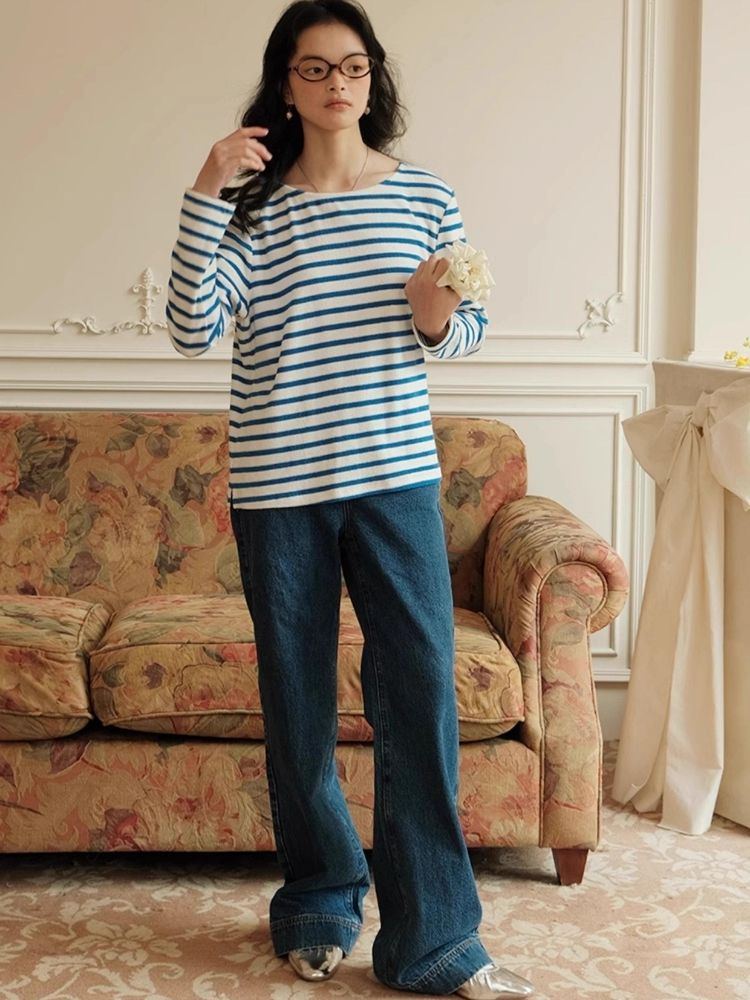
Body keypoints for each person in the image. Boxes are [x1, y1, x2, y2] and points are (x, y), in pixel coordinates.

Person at [165, 2, 534, 996]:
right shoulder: (253, 207)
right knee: (298, 702)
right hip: (278, 486)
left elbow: (466, 332)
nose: (338, 84)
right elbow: (192, 329)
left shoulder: (423, 196)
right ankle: (320, 899)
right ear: (285, 85)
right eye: (316, 68)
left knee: (418, 693)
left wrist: (434, 316)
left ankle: (435, 938)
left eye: (355, 66)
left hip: (395, 480)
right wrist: (205, 189)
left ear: (374, 79)